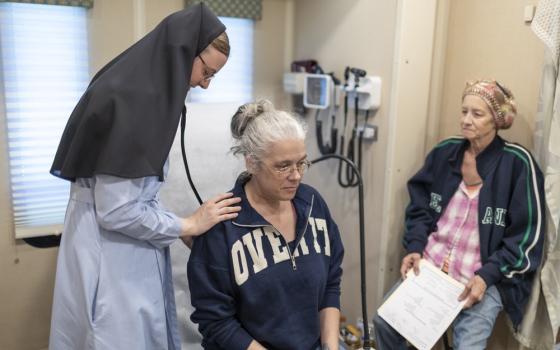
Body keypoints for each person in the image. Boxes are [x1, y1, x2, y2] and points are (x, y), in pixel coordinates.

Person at [48, 4, 241, 350]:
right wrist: (187, 225)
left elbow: (132, 194)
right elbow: (117, 210)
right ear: (184, 52)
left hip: (110, 246)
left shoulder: (134, 84)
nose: (205, 85)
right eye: (206, 72)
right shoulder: (138, 103)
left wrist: (172, 224)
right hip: (111, 262)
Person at [373, 79, 546, 349]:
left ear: (497, 121)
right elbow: (419, 208)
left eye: (477, 114)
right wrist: (415, 248)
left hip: (482, 279)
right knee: (384, 322)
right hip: (431, 268)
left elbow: (526, 238)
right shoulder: (444, 153)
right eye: (464, 111)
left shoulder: (518, 163)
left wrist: (486, 277)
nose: (466, 120)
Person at [187, 100, 345, 350]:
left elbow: (331, 284)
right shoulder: (223, 226)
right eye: (283, 166)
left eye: (301, 163)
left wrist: (331, 346)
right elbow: (216, 321)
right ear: (252, 163)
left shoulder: (313, 204)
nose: (296, 175)